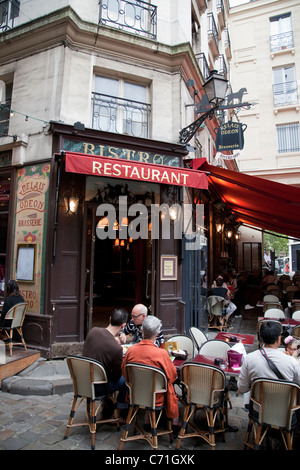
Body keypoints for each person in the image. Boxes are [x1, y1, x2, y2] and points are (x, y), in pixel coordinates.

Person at [122, 315, 180, 433]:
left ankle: (147, 420)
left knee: (150, 384)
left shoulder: (131, 351)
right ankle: (174, 422)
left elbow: (125, 372)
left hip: (136, 393)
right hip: (157, 396)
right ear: (158, 333)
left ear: (142, 330)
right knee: (167, 386)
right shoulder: (161, 354)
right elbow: (173, 376)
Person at [82, 307, 129, 416]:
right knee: (126, 380)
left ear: (109, 319)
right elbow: (117, 375)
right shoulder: (116, 348)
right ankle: (121, 411)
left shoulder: (93, 331)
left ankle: (107, 408)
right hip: (99, 387)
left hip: (83, 382)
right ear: (123, 326)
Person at [238, 321, 300, 394]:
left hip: (258, 404)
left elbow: (242, 388)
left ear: (261, 338)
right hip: (285, 404)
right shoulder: (291, 361)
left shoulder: (249, 358)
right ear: (278, 339)